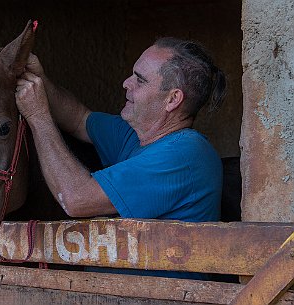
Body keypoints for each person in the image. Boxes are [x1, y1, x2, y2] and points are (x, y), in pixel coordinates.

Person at [15, 38, 226, 279]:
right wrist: (39, 81)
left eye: (140, 79)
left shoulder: (185, 154)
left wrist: (37, 115)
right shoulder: (137, 135)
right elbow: (78, 118)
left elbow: (75, 199)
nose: (126, 83)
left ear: (172, 99)